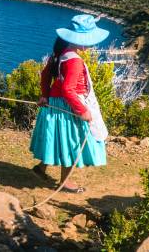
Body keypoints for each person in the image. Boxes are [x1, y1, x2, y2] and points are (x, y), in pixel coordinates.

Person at [29, 14, 109, 193]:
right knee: (72, 142)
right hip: (69, 107)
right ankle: (65, 182)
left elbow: (45, 75)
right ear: (82, 41)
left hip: (56, 105)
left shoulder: (60, 53)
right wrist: (82, 111)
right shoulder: (74, 61)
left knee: (58, 140)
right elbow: (68, 89)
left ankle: (41, 168)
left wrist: (45, 95)